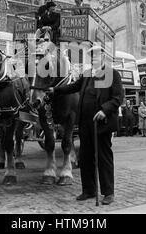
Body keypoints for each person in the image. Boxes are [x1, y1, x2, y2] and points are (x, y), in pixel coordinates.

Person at [48, 45, 124, 205]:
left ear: (103, 57)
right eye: (91, 56)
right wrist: (55, 90)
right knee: (86, 158)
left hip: (101, 123)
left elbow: (118, 98)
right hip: (85, 123)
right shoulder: (87, 75)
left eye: (96, 55)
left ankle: (108, 192)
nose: (93, 58)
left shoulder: (112, 74)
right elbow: (73, 87)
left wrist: (104, 110)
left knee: (104, 158)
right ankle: (88, 190)